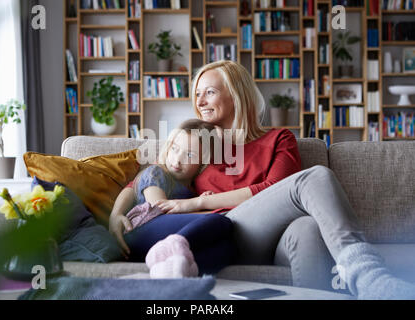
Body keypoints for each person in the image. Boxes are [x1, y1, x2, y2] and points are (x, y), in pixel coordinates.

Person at [110, 60, 415, 299]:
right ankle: (370, 276)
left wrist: (197, 201)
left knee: (307, 227)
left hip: (273, 236)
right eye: (197, 94)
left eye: (210, 92)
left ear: (237, 94)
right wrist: (116, 213)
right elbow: (149, 175)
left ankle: (356, 283)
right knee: (316, 176)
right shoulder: (198, 145)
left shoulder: (278, 138)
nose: (200, 101)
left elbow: (276, 190)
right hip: (219, 234)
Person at [109, 119, 234, 278]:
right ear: (168, 147)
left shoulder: (193, 189)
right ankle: (166, 253)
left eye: (189, 154)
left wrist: (200, 205)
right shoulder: (156, 172)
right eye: (175, 149)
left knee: (226, 249)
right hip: (140, 232)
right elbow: (159, 209)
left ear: (203, 162)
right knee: (221, 221)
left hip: (162, 238)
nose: (177, 159)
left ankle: (174, 268)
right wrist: (202, 211)